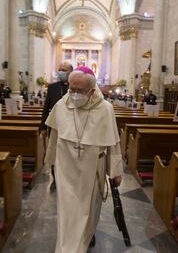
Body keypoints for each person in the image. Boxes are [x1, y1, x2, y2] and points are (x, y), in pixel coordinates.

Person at [44, 66, 123, 252]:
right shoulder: (61, 105)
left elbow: (113, 143)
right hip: (66, 168)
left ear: (92, 89)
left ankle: (83, 240)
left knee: (88, 210)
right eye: (71, 89)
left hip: (92, 169)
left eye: (80, 90)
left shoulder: (105, 109)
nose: (74, 94)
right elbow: (54, 136)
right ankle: (67, 247)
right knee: (67, 210)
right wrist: (51, 161)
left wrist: (116, 171)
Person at [40, 62, 73, 190]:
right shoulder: (53, 87)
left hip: (71, 127)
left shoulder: (75, 86)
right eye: (59, 69)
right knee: (54, 153)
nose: (60, 72)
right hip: (54, 126)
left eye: (63, 70)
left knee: (68, 154)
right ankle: (54, 179)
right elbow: (46, 107)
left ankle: (67, 179)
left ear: (71, 71)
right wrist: (43, 126)